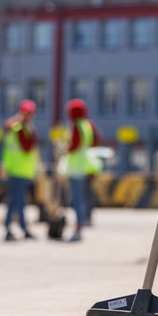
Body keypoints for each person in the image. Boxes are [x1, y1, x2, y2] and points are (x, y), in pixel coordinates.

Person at [1, 99, 39, 241]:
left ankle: (16, 228)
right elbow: (27, 147)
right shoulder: (19, 129)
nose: (30, 116)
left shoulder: (22, 127)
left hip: (22, 170)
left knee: (16, 201)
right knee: (16, 201)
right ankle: (16, 228)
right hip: (16, 170)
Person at [64, 98, 100, 242]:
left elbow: (73, 146)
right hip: (84, 166)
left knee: (77, 199)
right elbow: (95, 141)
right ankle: (83, 222)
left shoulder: (76, 126)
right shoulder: (87, 125)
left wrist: (64, 149)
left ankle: (78, 228)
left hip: (75, 167)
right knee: (83, 198)